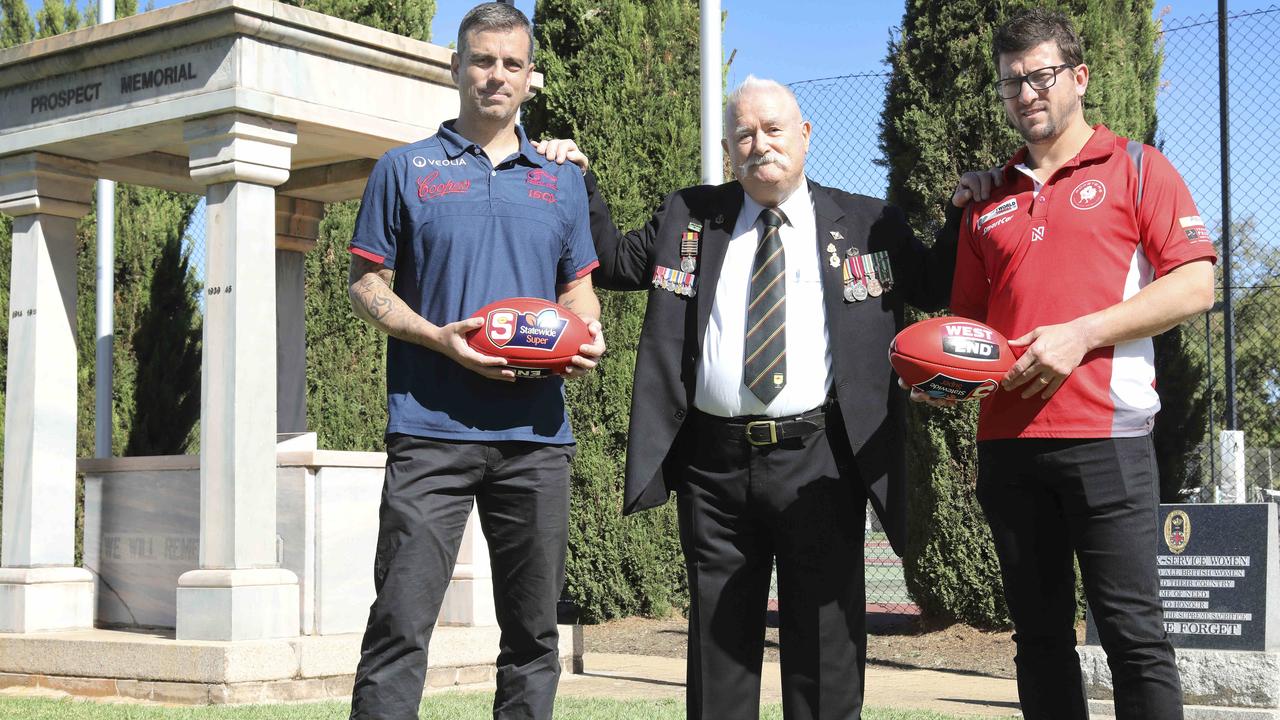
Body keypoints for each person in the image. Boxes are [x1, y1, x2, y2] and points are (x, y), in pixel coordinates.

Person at [539, 76, 972, 720]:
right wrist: (576, 178)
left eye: (773, 129)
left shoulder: (869, 222)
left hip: (822, 461)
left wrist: (967, 207)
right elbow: (608, 262)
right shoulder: (688, 214)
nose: (760, 144)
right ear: (726, 149)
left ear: (804, 136)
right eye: (744, 134)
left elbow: (937, 283)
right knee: (719, 651)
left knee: (826, 649)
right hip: (713, 469)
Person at [923, 9, 1216, 720]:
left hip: (1106, 442)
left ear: (1078, 78)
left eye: (1041, 76)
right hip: (1008, 448)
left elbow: (1195, 284)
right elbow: (971, 329)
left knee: (1134, 638)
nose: (1026, 93)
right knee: (1040, 641)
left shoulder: (1139, 167)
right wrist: (947, 377)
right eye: (1011, 83)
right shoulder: (985, 199)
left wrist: (1081, 334)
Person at [343, 4, 605, 719]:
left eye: (511, 64)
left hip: (536, 441)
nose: (496, 75)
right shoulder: (405, 169)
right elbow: (366, 283)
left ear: (531, 79)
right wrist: (436, 337)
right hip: (429, 431)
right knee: (400, 624)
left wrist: (589, 334)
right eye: (482, 60)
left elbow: (578, 288)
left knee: (533, 635)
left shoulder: (561, 181)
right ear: (454, 67)